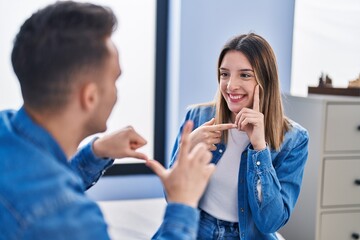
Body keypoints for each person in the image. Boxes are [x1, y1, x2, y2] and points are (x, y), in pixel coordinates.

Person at [0, 2, 215, 240]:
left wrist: (95, 152)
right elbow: (49, 207)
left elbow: (36, 189)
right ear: (89, 97)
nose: (116, 92)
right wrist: (183, 203)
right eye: (115, 79)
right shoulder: (72, 220)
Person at [169, 33, 309, 239]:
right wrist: (187, 151)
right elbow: (171, 198)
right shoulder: (197, 117)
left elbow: (271, 221)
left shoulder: (294, 139)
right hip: (198, 230)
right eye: (224, 74)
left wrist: (260, 149)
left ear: (265, 81)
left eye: (244, 75)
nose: (230, 85)